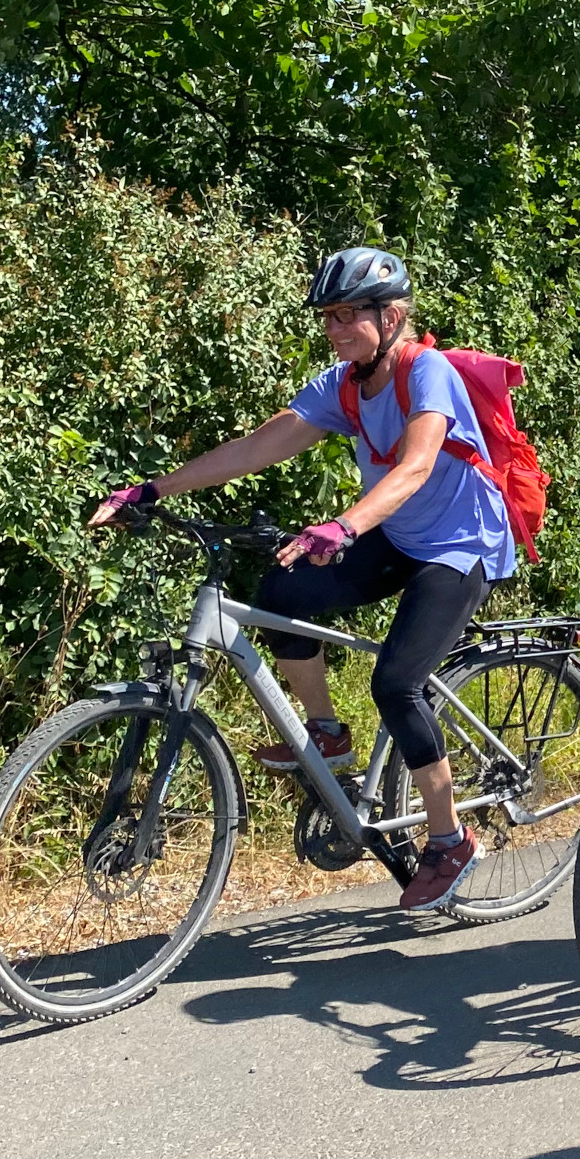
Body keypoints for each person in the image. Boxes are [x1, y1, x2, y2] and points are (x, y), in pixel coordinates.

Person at [88, 247, 517, 910]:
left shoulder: (426, 371)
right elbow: (256, 447)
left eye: (348, 315)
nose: (335, 328)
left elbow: (415, 466)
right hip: (399, 533)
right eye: (329, 316)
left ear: (390, 316)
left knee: (396, 683)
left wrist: (344, 525)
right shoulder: (344, 384)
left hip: (462, 546)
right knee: (281, 591)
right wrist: (151, 489)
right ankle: (327, 733)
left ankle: (449, 838)